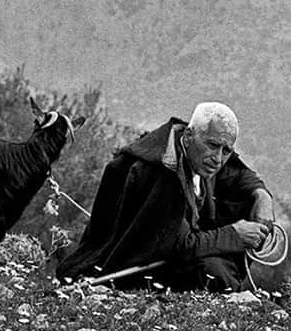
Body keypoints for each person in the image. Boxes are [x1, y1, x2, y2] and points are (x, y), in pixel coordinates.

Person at [53, 102, 274, 292]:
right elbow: (176, 245)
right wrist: (234, 235)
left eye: (226, 150)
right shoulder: (162, 173)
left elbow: (236, 173)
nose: (218, 158)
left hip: (173, 249)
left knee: (239, 209)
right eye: (213, 145)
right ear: (189, 136)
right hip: (132, 260)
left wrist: (262, 196)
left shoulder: (198, 153)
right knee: (214, 274)